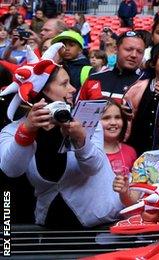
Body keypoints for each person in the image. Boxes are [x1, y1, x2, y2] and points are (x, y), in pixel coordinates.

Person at [0, 57, 123, 228]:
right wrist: (26, 132)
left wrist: (81, 139)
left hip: (99, 221)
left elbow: (94, 167)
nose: (73, 89)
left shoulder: (85, 117)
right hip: (52, 224)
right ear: (41, 91)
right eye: (64, 84)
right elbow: (11, 170)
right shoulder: (13, 130)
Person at [79, 31, 145, 102]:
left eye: (139, 52)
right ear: (116, 49)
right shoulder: (93, 79)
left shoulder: (146, 86)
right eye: (128, 49)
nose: (134, 55)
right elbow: (78, 111)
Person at [101, 99, 137, 176]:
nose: (113, 123)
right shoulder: (88, 153)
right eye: (106, 118)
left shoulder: (130, 152)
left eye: (117, 117)